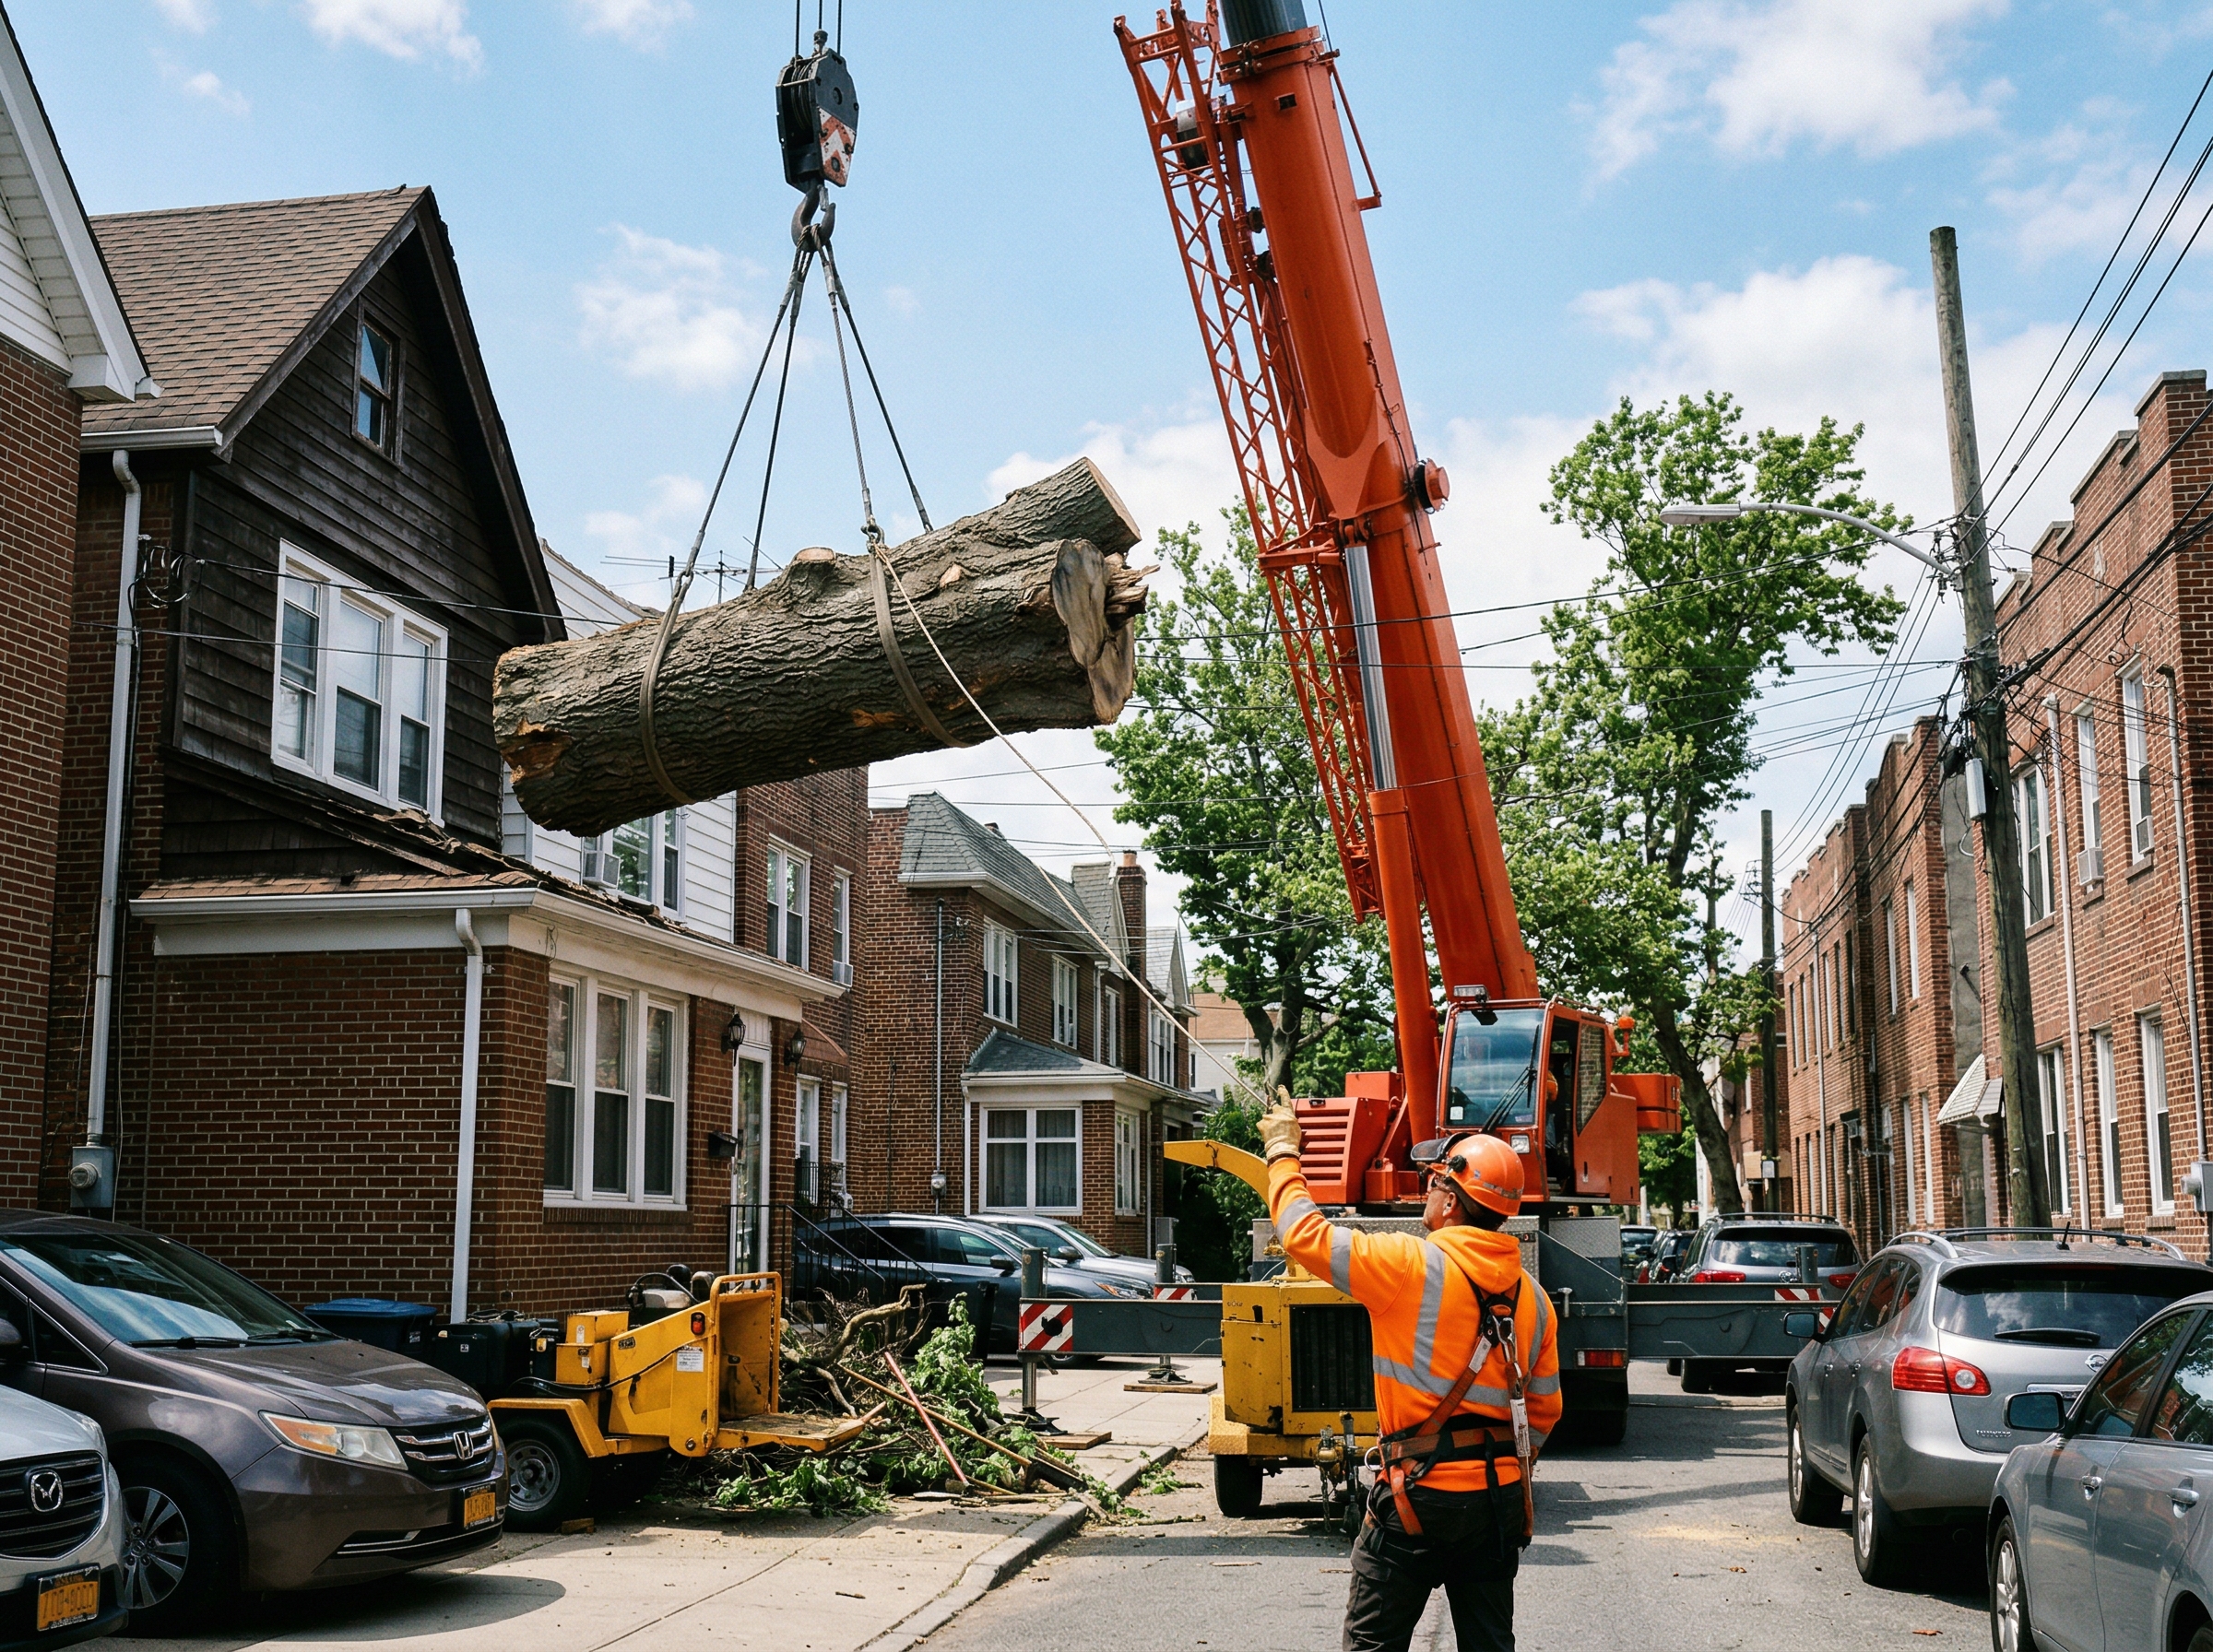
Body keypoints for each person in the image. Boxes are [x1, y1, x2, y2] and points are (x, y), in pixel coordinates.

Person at [1258, 1101, 1561, 1652]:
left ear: (1449, 1200)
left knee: (1373, 1645)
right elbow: (1543, 1412)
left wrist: (1283, 1152)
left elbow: (1304, 1235)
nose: (1426, 1192)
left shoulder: (1408, 1266)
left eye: (1433, 1183)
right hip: (1496, 1503)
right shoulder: (1536, 1301)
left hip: (1414, 1497)